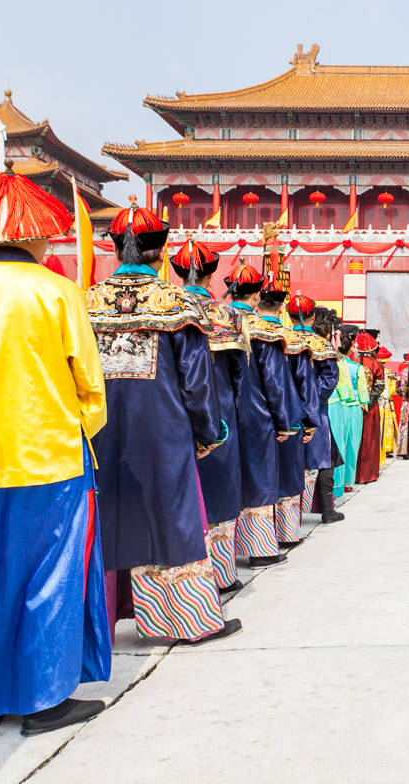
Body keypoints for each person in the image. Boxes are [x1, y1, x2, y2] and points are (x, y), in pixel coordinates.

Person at [0, 164, 109, 735]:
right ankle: (43, 699)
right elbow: (89, 383)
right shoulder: (58, 292)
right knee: (51, 577)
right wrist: (83, 427)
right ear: (35, 234)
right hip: (52, 455)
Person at [88, 203, 239, 647]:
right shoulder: (177, 305)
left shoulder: (86, 301)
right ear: (161, 251)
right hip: (164, 434)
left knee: (110, 518)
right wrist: (209, 433)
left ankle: (103, 620)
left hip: (99, 433)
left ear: (115, 248)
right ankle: (185, 619)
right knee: (172, 521)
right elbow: (195, 381)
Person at [173, 240, 246, 591]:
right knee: (219, 493)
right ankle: (219, 574)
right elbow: (238, 375)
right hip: (220, 414)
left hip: (173, 420)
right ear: (212, 272)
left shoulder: (167, 307)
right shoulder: (226, 316)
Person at [225, 262, 303, 569]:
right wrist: (285, 421)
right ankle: (259, 547)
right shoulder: (265, 331)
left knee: (230, 482)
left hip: (223, 414)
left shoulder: (216, 321)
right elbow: (274, 381)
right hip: (257, 416)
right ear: (257, 295)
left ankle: (225, 557)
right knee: (258, 479)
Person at [258, 277, 315, 549]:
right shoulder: (291, 339)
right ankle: (286, 532)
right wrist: (308, 421)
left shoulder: (242, 330)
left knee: (257, 479)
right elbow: (304, 386)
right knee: (288, 475)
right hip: (288, 419)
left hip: (250, 419)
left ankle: (256, 540)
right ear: (281, 309)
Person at [303, 303, 345, 522]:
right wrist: (307, 400)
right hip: (315, 411)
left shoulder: (281, 338)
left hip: (283, 408)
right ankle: (327, 509)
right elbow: (329, 382)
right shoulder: (322, 347)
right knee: (323, 459)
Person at [330, 325, 368, 496]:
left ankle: (335, 482)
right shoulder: (357, 368)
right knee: (352, 445)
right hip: (352, 406)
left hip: (335, 403)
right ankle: (347, 481)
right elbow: (363, 395)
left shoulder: (335, 363)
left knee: (339, 444)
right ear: (351, 347)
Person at [355, 330, 386, 484]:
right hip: (370, 408)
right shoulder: (376, 364)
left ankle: (352, 476)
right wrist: (368, 402)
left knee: (354, 439)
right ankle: (368, 474)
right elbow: (380, 386)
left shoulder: (350, 360)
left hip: (351, 404)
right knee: (369, 440)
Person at [378, 347, 399, 459]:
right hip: (386, 401)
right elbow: (393, 389)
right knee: (388, 424)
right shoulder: (390, 373)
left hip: (378, 400)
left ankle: (381, 447)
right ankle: (387, 447)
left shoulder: (374, 371)